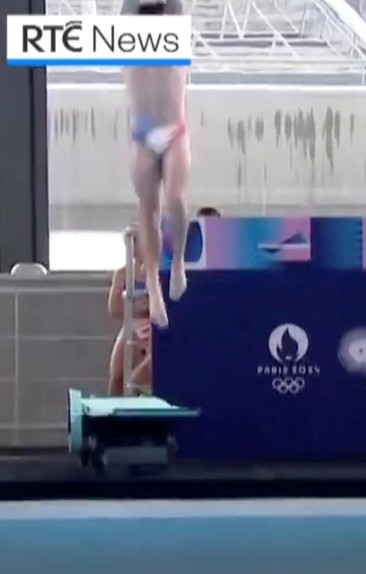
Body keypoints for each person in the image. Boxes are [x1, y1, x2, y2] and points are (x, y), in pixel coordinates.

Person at [123, 0, 190, 327]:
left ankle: (177, 262)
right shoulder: (126, 36)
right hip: (142, 135)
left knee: (175, 199)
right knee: (148, 209)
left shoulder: (176, 28)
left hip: (174, 130)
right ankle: (152, 285)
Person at [107, 233, 153, 396]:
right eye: (130, 244)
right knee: (117, 372)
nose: (133, 248)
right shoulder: (123, 274)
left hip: (154, 324)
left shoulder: (156, 271)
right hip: (133, 322)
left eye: (137, 242)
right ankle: (113, 407)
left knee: (144, 372)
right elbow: (114, 308)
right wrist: (139, 308)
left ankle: (141, 390)